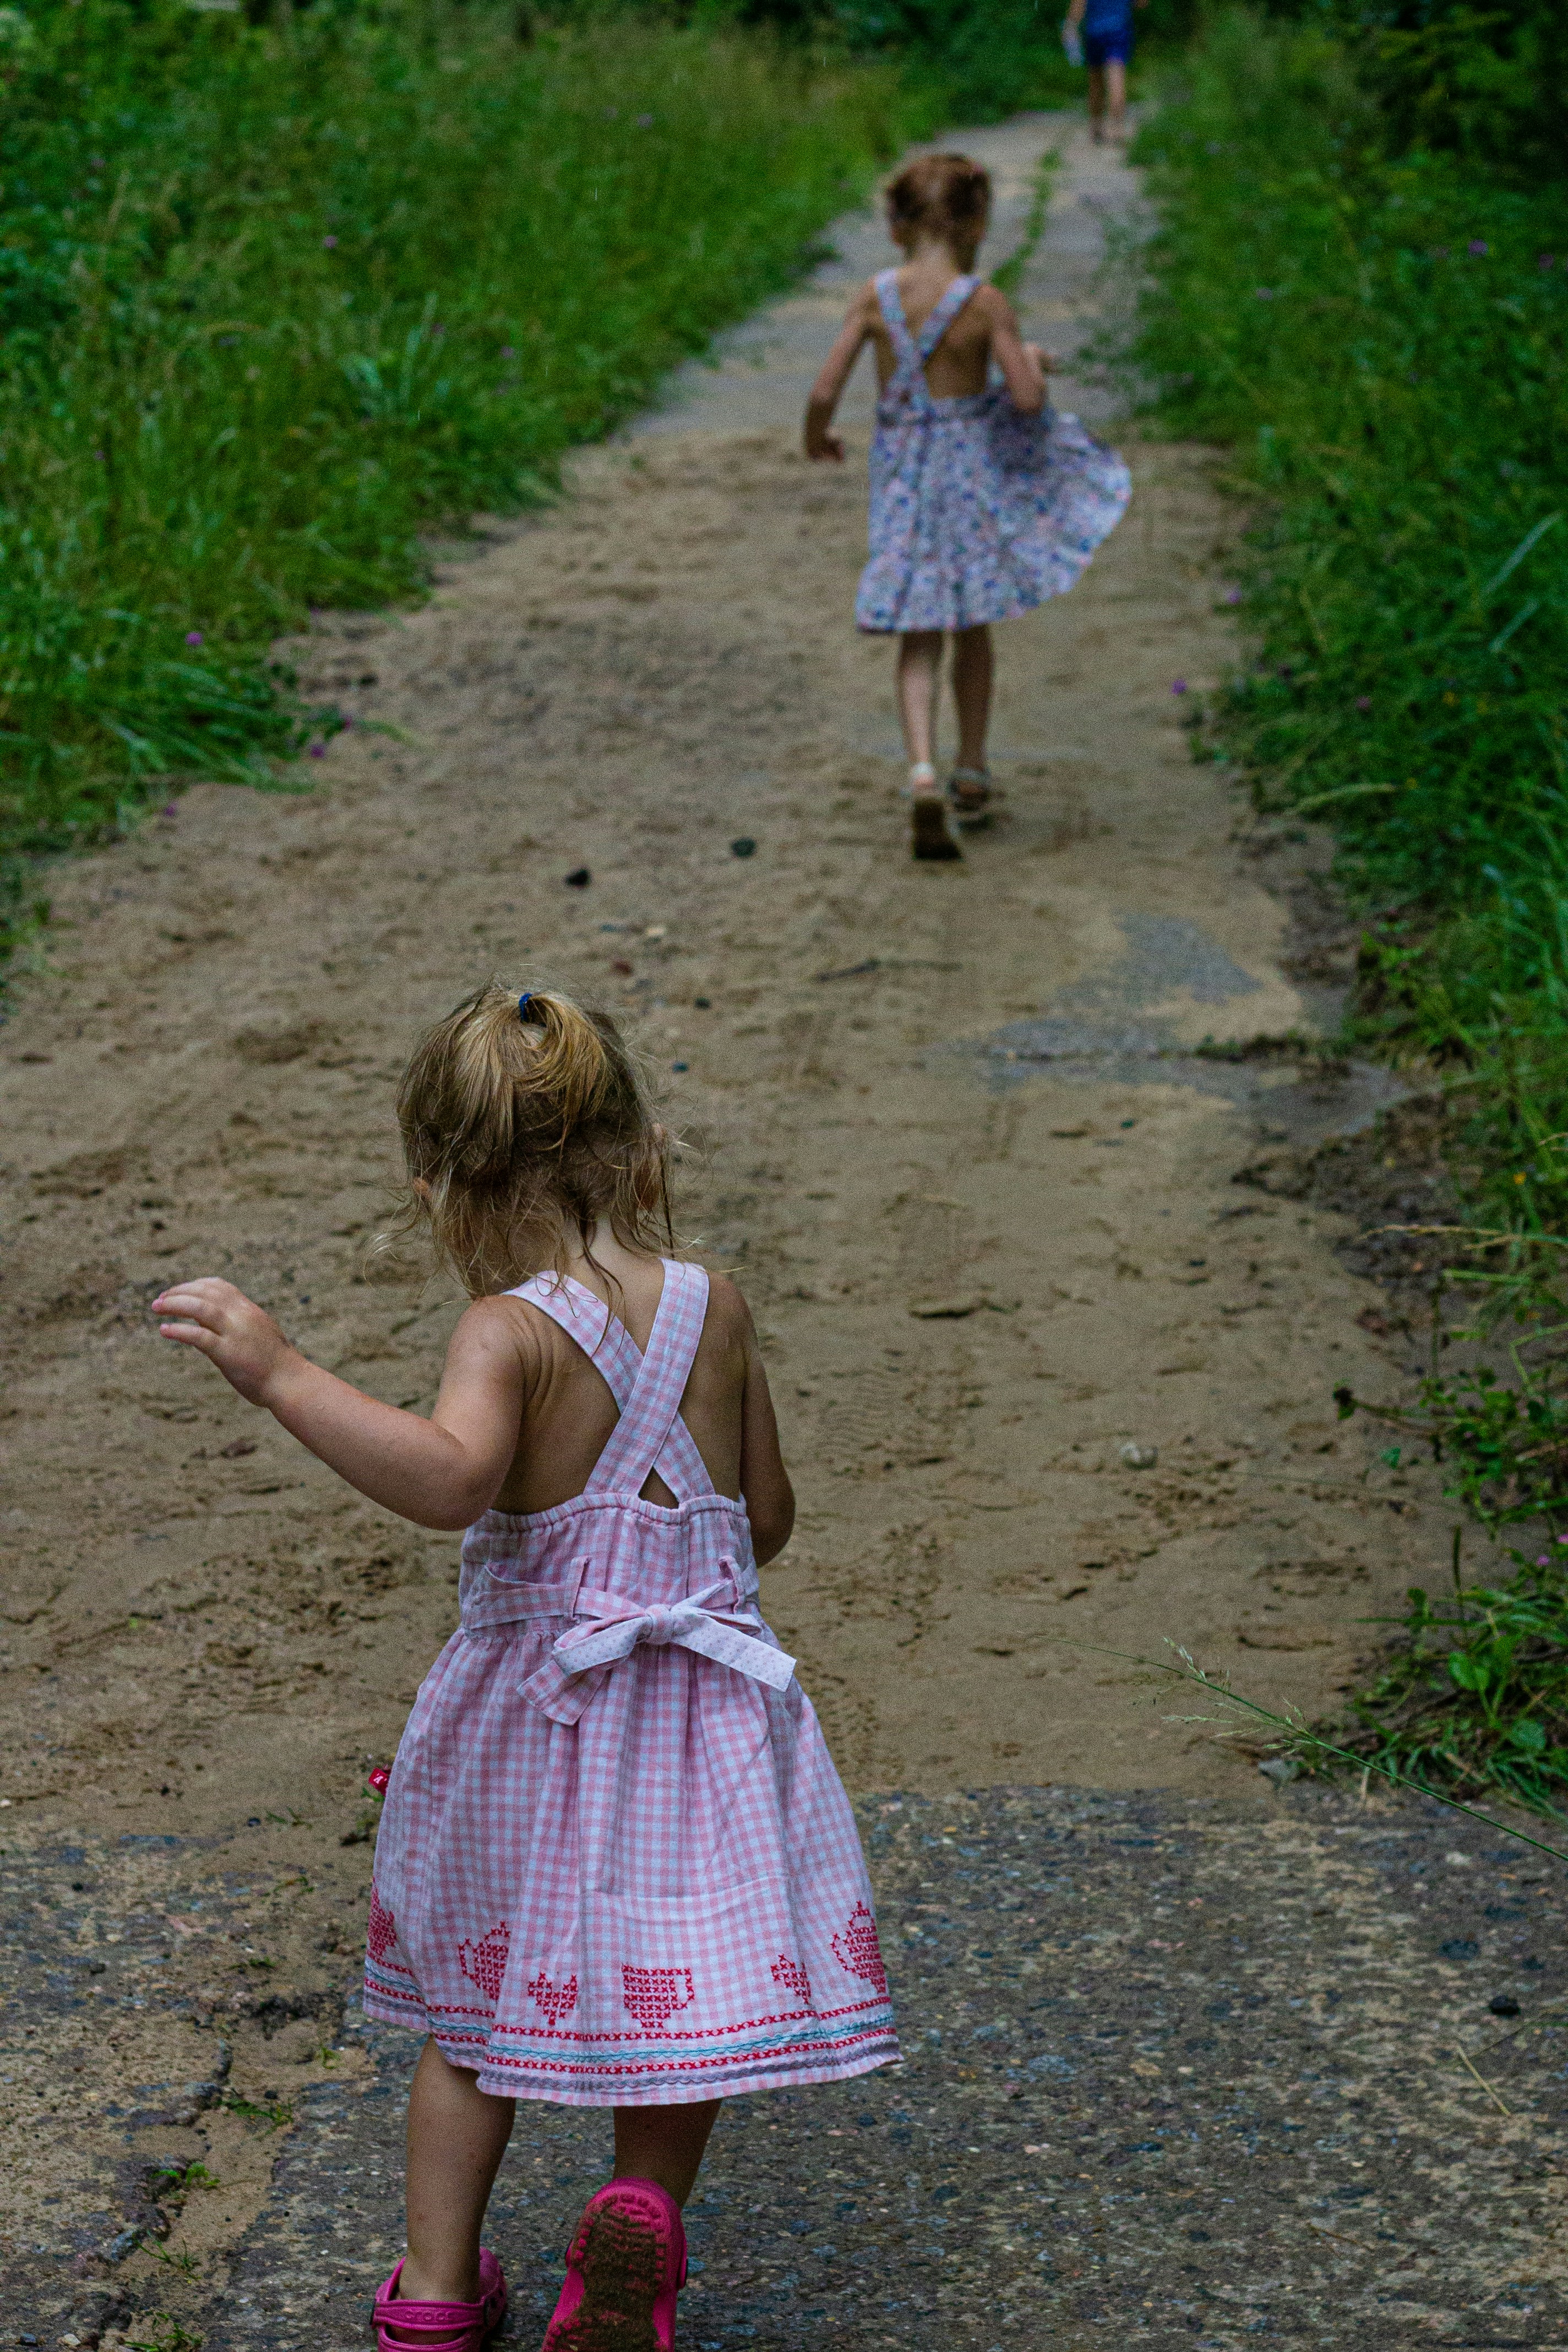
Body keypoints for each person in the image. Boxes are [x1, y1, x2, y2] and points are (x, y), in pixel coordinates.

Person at [153, 983, 898, 2352]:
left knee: (473, 2013)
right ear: (643, 1145)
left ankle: (436, 2292)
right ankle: (637, 2210)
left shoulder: (506, 1329)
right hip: (702, 1713)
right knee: (686, 1995)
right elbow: (768, 1517)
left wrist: (281, 1374)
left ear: (439, 1185)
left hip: (536, 1723)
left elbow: (447, 1482)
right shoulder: (715, 1307)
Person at [804, 153, 1131, 861]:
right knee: (971, 628)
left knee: (917, 636)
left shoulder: (874, 297)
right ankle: (972, 769)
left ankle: (921, 772)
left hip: (903, 483)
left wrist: (817, 436)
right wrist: (1031, 359)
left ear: (897, 225)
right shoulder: (984, 303)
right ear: (976, 222)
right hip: (970, 482)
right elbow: (1026, 401)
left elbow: (825, 391)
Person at [1064, 0, 1150, 145]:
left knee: (1095, 81)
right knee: (1117, 77)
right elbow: (1142, 3)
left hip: (1094, 32)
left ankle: (1097, 126)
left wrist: (1070, 26)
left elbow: (1078, 6)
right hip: (1118, 30)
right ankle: (1117, 127)